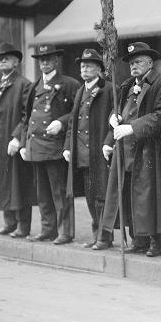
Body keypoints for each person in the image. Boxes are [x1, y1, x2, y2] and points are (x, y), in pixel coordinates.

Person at [99, 42, 161, 256]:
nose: (134, 66)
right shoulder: (127, 85)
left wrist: (133, 127)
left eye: (138, 62)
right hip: (125, 150)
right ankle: (138, 239)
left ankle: (156, 240)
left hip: (148, 148)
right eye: (131, 63)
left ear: (150, 63)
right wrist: (113, 119)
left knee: (149, 196)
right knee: (128, 194)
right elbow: (119, 109)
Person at [19, 44, 80, 244]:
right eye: (41, 59)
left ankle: (65, 232)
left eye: (48, 59)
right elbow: (26, 117)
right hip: (36, 146)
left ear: (56, 61)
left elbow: (78, 113)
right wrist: (23, 143)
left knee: (59, 191)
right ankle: (48, 229)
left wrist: (61, 122)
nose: (44, 62)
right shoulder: (34, 86)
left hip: (55, 146)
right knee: (42, 192)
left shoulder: (69, 84)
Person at [63, 49, 113, 250]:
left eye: (89, 66)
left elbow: (115, 119)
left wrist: (109, 142)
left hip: (99, 151)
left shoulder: (108, 89)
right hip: (82, 153)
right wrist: (68, 146)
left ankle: (104, 237)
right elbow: (72, 121)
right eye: (82, 66)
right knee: (90, 197)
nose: (84, 69)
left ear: (99, 69)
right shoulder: (80, 91)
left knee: (101, 197)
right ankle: (96, 234)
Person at [0, 43, 35, 238]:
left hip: (13, 142)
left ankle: (23, 225)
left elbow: (27, 115)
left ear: (16, 62)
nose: (2, 60)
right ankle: (9, 223)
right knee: (3, 182)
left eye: (6, 58)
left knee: (19, 183)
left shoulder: (23, 84)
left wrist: (17, 137)